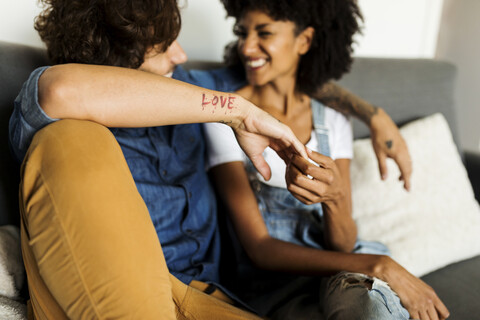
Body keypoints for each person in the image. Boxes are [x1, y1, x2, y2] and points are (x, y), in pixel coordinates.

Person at [8, 0, 411, 319]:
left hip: (216, 299)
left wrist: (373, 116)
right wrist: (237, 110)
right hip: (135, 291)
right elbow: (59, 90)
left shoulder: (187, 86)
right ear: (119, 62)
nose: (182, 56)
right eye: (164, 47)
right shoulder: (53, 101)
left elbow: (288, 73)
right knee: (68, 139)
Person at [202, 0, 449, 319]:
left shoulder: (332, 119)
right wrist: (379, 266)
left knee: (371, 304)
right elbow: (259, 248)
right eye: (242, 32)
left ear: (303, 41)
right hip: (277, 284)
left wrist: (335, 200)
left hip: (341, 273)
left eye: (264, 33)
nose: (247, 47)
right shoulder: (228, 118)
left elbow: (344, 244)